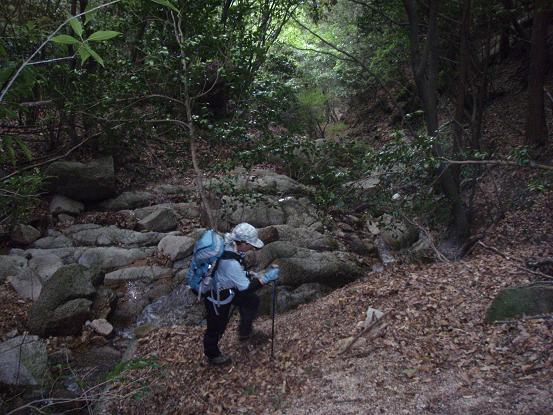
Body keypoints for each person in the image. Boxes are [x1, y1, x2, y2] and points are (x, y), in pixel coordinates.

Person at [203, 222, 280, 366]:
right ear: (243, 243)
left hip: (227, 285)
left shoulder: (230, 244)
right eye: (250, 244)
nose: (252, 248)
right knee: (216, 326)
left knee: (251, 301)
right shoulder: (231, 263)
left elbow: (235, 273)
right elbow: (246, 289)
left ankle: (245, 332)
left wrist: (248, 274)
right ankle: (212, 355)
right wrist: (266, 278)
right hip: (216, 295)